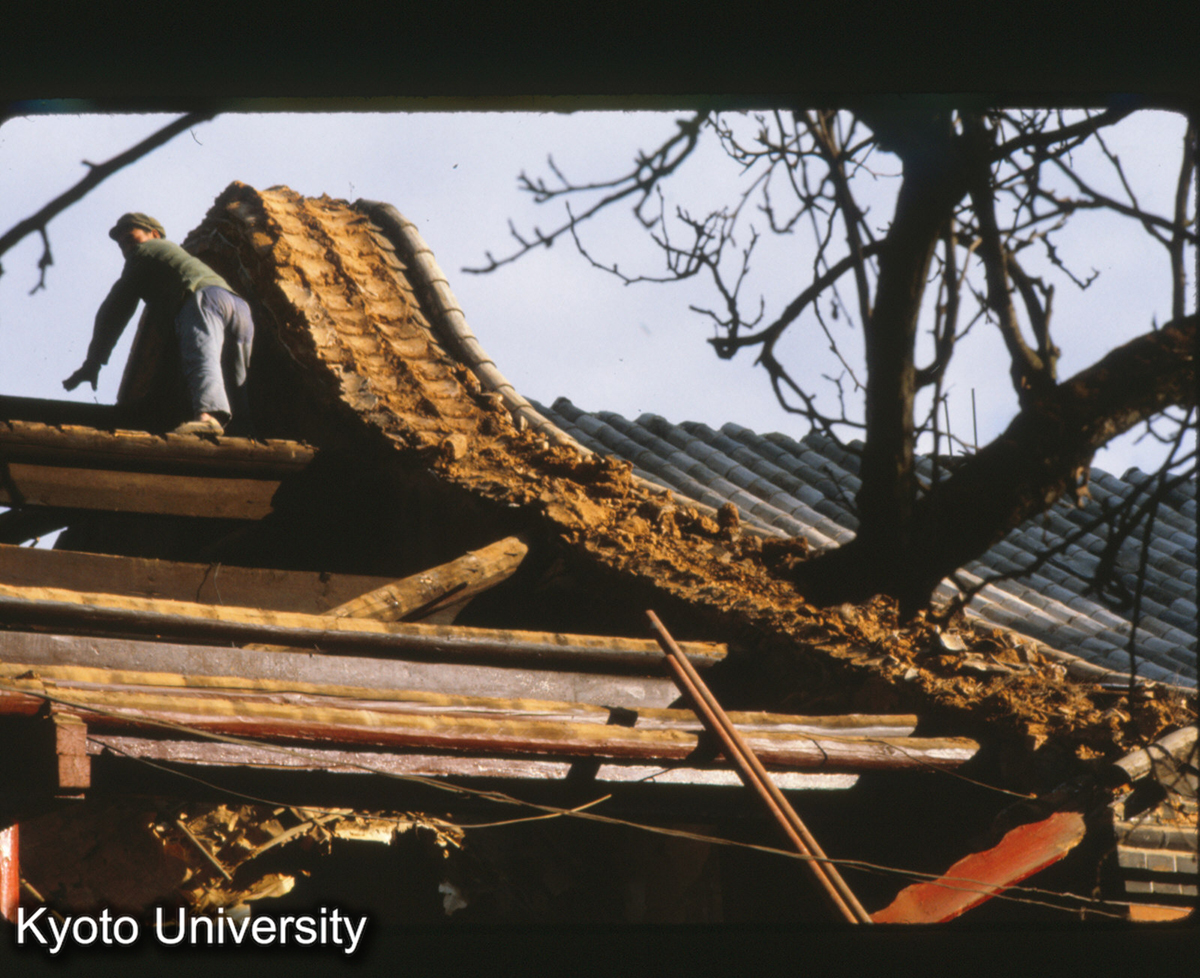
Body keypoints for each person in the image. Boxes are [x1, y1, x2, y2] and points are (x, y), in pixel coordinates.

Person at [63, 212, 254, 436]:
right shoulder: (169, 267)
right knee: (236, 377)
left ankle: (208, 417)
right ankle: (243, 432)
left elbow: (115, 308)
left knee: (201, 357)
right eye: (121, 245)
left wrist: (93, 362)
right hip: (238, 308)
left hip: (203, 299)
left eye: (130, 239)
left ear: (154, 234)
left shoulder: (146, 252)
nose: (126, 248)